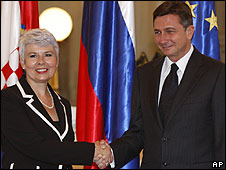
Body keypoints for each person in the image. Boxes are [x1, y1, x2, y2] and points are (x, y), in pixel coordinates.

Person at [95, 1, 225, 169]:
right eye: (157, 32)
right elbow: (139, 131)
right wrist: (111, 153)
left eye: (170, 31)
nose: (163, 39)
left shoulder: (216, 73)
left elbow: (222, 137)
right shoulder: (145, 74)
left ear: (189, 32)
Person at [1, 28, 111, 169]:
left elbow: (64, 153)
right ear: (22, 62)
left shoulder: (63, 104)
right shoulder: (8, 100)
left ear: (57, 61)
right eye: (33, 56)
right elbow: (35, 147)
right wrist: (93, 151)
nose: (41, 62)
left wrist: (98, 154)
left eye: (48, 55)